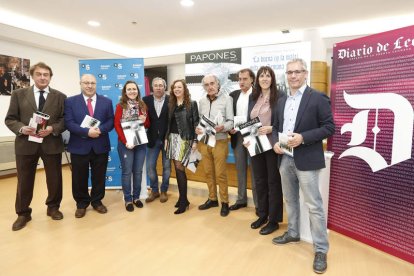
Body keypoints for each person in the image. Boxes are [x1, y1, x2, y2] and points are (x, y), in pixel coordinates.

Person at [272, 58, 335, 274]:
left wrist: (303, 138)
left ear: (305, 73)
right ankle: (293, 233)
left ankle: (321, 249)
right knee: (290, 199)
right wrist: (275, 143)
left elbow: (329, 127)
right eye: (289, 72)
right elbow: (277, 128)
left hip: (306, 159)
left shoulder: (317, 98)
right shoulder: (281, 101)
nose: (293, 76)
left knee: (314, 205)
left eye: (297, 72)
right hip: (285, 159)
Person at [5, 62, 66, 231]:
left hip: (51, 143)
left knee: (55, 178)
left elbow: (64, 120)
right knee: (24, 180)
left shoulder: (60, 96)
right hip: (26, 144)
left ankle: (53, 207)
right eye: (39, 74)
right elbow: (10, 119)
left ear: (50, 77)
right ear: (33, 76)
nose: (42, 77)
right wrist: (22, 128)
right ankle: (23, 213)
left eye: (46, 74)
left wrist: (53, 128)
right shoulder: (18, 94)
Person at [64, 74, 114, 218]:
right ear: (80, 84)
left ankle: (97, 201)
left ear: (96, 84)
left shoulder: (106, 101)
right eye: (86, 83)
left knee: (99, 176)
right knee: (79, 177)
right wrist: (87, 132)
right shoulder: (70, 101)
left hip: (100, 144)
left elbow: (110, 121)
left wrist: (100, 130)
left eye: (92, 83)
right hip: (79, 145)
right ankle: (81, 204)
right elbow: (69, 122)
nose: (90, 86)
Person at [247, 66, 283, 235]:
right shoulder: (253, 97)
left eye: (268, 76)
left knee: (273, 182)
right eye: (262, 76)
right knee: (259, 181)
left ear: (272, 79)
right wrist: (246, 139)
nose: (264, 79)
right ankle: (262, 214)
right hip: (255, 144)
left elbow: (284, 121)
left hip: (272, 145)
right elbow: (249, 121)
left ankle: (273, 220)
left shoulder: (280, 96)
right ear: (257, 79)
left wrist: (271, 128)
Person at [196, 74, 233, 217]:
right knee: (208, 172)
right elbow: (200, 120)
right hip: (205, 140)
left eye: (212, 83)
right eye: (206, 85)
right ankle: (212, 199)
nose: (210, 87)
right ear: (204, 87)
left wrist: (222, 127)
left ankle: (225, 202)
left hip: (220, 140)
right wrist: (198, 128)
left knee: (221, 174)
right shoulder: (201, 101)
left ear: (218, 84)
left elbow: (231, 121)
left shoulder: (227, 99)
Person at [114, 80, 150, 212]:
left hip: (140, 143)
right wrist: (125, 142)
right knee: (127, 172)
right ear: (125, 91)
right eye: (129, 89)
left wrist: (145, 121)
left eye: (134, 89)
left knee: (138, 171)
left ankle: (136, 197)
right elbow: (117, 125)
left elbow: (147, 125)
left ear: (137, 91)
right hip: (126, 144)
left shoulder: (142, 105)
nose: (132, 91)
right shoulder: (120, 106)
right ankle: (128, 199)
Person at [165, 79, 199, 214]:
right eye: (175, 88)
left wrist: (195, 141)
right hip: (172, 138)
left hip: (185, 139)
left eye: (179, 87)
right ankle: (182, 198)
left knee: (180, 168)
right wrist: (167, 138)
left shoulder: (192, 104)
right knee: (177, 168)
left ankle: (184, 201)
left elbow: (196, 123)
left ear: (184, 89)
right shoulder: (171, 104)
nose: (177, 89)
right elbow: (169, 123)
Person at [228, 68, 258, 212]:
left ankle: (259, 204)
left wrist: (243, 127)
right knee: (240, 169)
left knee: (255, 171)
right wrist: (230, 127)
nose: (241, 82)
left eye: (245, 79)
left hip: (253, 136)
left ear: (252, 79)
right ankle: (241, 200)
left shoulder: (259, 94)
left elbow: (260, 118)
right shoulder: (233, 95)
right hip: (237, 136)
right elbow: (229, 116)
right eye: (239, 79)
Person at [143, 77, 171, 203]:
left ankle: (164, 190)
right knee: (150, 167)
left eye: (161, 85)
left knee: (167, 167)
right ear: (152, 87)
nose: (158, 87)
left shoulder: (171, 100)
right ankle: (154, 190)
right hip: (152, 139)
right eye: (156, 85)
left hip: (167, 139)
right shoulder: (145, 100)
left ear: (165, 87)